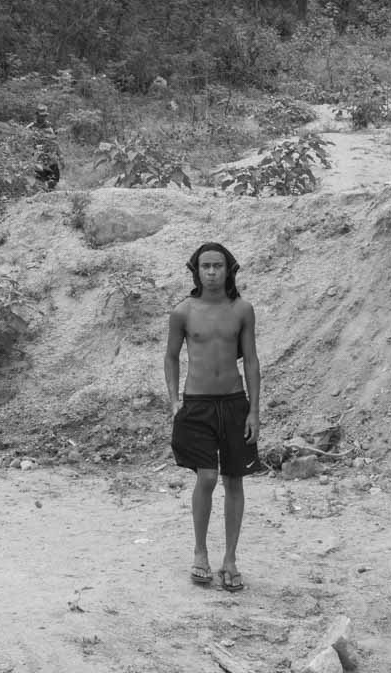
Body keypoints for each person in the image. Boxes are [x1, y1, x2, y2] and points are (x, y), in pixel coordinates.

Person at [164, 243, 262, 591]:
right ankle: (200, 552)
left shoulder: (242, 310)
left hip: (234, 403)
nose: (211, 272)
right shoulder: (183, 312)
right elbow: (172, 357)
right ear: (196, 271)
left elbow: (251, 361)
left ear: (228, 270)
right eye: (205, 266)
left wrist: (254, 409)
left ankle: (231, 559)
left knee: (234, 480)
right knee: (206, 477)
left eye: (218, 266)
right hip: (198, 404)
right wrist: (175, 399)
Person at [26, 104, 61, 189]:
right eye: (41, 116)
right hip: (36, 156)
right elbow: (25, 143)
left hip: (49, 155)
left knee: (53, 177)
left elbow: (55, 141)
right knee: (39, 179)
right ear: (37, 115)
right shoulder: (30, 127)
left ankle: (51, 189)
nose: (43, 118)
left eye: (45, 116)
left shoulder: (49, 126)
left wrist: (60, 155)